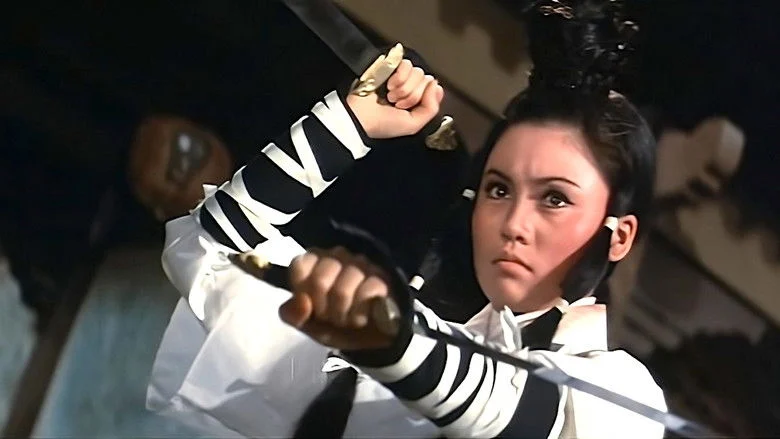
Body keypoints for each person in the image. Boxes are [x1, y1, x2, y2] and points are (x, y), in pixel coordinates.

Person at [147, 1, 668, 437]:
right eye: (499, 189)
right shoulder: (374, 354)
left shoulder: (621, 402)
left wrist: (393, 336)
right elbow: (208, 249)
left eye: (554, 199)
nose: (514, 223)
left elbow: (511, 407)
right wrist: (349, 124)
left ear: (618, 235)